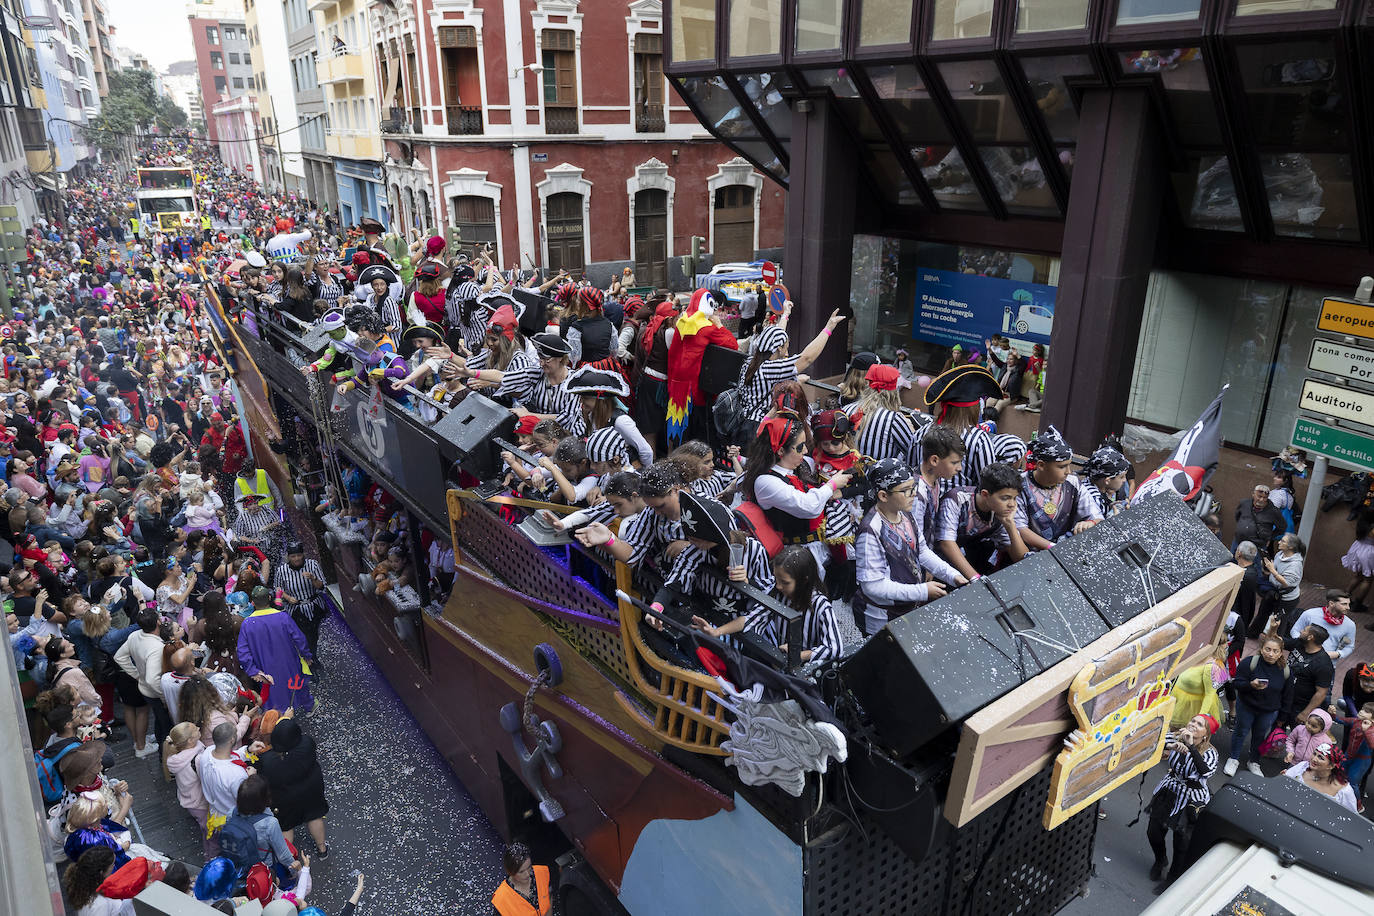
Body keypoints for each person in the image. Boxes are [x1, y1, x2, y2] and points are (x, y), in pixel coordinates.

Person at [853, 458, 961, 635]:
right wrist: (922, 591)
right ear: (883, 495)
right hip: (881, 619)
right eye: (905, 490)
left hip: (906, 609)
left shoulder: (905, 514)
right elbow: (872, 586)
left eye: (913, 487)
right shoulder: (870, 530)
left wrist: (953, 576)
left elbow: (922, 552)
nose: (913, 494)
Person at [1146, 714, 1219, 886]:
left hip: (1190, 798)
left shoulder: (1210, 753)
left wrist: (1191, 747)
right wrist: (1170, 745)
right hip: (1169, 788)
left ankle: (1173, 877)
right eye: (1192, 721)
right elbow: (1152, 741)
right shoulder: (1177, 736)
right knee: (1153, 831)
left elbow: (1205, 772)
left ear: (1206, 734)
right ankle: (1160, 860)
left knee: (1181, 843)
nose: (1193, 725)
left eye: (1199, 724)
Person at [1013, 426, 1102, 550]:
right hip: (1030, 554)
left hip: (1065, 550)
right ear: (1041, 465)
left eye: (1069, 465)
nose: (1068, 471)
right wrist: (1053, 548)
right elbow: (1020, 529)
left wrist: (1089, 523)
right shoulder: (1019, 485)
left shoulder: (1073, 482)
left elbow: (1097, 517)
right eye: (1062, 467)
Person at [256, 717, 330, 858]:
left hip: (285, 797)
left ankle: (288, 858)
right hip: (311, 789)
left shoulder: (269, 761)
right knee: (314, 816)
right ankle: (322, 849)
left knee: (286, 826)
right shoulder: (308, 744)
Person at [1223, 633, 1292, 777]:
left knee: (1260, 736)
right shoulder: (1250, 663)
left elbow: (1287, 695)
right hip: (1247, 706)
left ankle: (1254, 761)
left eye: (1275, 651)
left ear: (1280, 653)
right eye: (1268, 649)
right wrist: (1250, 685)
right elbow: (1236, 683)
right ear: (1261, 649)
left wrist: (1283, 717)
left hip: (1268, 711)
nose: (1271, 654)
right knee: (1241, 731)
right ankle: (1233, 758)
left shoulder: (1285, 671)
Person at [238, 586, 313, 714]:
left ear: (252, 602)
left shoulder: (247, 623)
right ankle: (308, 707)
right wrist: (306, 655)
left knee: (272, 694)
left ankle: (274, 718)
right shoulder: (283, 617)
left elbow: (242, 652)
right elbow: (299, 638)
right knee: (297, 686)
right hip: (288, 664)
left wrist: (253, 670)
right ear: (269, 598)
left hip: (265, 668)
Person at [112, 609, 169, 756]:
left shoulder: (134, 635)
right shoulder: (157, 648)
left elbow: (119, 657)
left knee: (158, 721)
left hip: (144, 688)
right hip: (154, 692)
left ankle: (153, 744)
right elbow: (152, 679)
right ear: (158, 622)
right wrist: (164, 697)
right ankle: (164, 757)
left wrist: (137, 675)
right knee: (165, 726)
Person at [1271, 619, 1334, 730]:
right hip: (1283, 698)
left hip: (1299, 707)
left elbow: (1321, 692)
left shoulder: (1324, 664)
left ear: (1310, 637)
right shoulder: (1299, 643)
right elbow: (1275, 641)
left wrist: (1305, 713)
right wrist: (1273, 628)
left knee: (1299, 740)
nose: (1301, 631)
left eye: (1304, 630)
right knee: (1275, 734)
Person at [272, 542, 328, 662]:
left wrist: (313, 578)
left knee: (313, 634)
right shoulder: (282, 570)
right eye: (293, 556)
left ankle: (311, 656)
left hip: (314, 606)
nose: (296, 558)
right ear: (288, 557)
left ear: (303, 554)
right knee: (303, 636)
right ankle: (310, 659)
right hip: (296, 609)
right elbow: (277, 588)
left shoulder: (312, 565)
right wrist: (287, 598)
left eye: (299, 555)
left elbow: (321, 587)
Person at [1283, 742, 1359, 812]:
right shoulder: (1302, 768)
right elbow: (1283, 783)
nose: (1314, 759)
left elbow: (1351, 817)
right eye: (1314, 754)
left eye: (1320, 757)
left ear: (1331, 766)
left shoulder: (1343, 791)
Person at [62, 846, 135, 916]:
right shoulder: (100, 905)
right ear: (101, 872)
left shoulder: (84, 888)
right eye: (112, 864)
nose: (114, 866)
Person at [1287, 588, 1355, 662]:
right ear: (1331, 603)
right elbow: (1295, 630)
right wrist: (1303, 645)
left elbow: (1349, 646)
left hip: (1325, 663)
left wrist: (1337, 654)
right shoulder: (1310, 614)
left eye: (1348, 604)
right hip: (1301, 658)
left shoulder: (1350, 625)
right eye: (1344, 604)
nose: (1348, 608)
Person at [1257, 533, 1306, 636]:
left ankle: (1275, 643)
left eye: (1283, 541)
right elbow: (1274, 570)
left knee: (1279, 623)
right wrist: (1267, 568)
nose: (1279, 542)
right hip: (1273, 591)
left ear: (1291, 547)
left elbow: (1286, 583)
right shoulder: (1279, 554)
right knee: (1263, 613)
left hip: (1286, 599)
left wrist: (1272, 570)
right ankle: (1254, 633)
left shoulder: (1295, 564)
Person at [491, 841, 552, 916]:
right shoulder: (501, 900)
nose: (527, 874)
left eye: (529, 867)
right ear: (511, 872)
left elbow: (549, 899)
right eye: (521, 872)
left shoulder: (542, 873)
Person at [1233, 484, 1285, 552]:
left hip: (1256, 546)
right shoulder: (1244, 503)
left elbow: (1282, 527)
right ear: (1253, 494)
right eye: (1259, 496)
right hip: (1238, 541)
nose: (1261, 500)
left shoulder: (1274, 511)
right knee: (1232, 561)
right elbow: (1237, 516)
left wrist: (1270, 537)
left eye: (1265, 497)